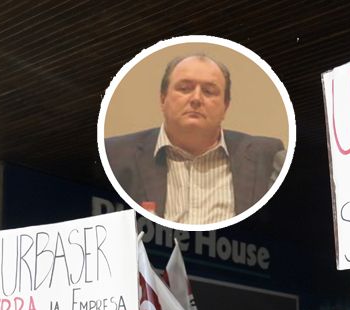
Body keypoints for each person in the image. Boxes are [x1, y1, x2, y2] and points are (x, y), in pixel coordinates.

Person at [104, 53, 285, 225]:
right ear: (163, 99)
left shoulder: (266, 156)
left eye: (209, 91)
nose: (196, 98)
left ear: (225, 106)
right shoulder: (114, 155)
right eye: (184, 89)